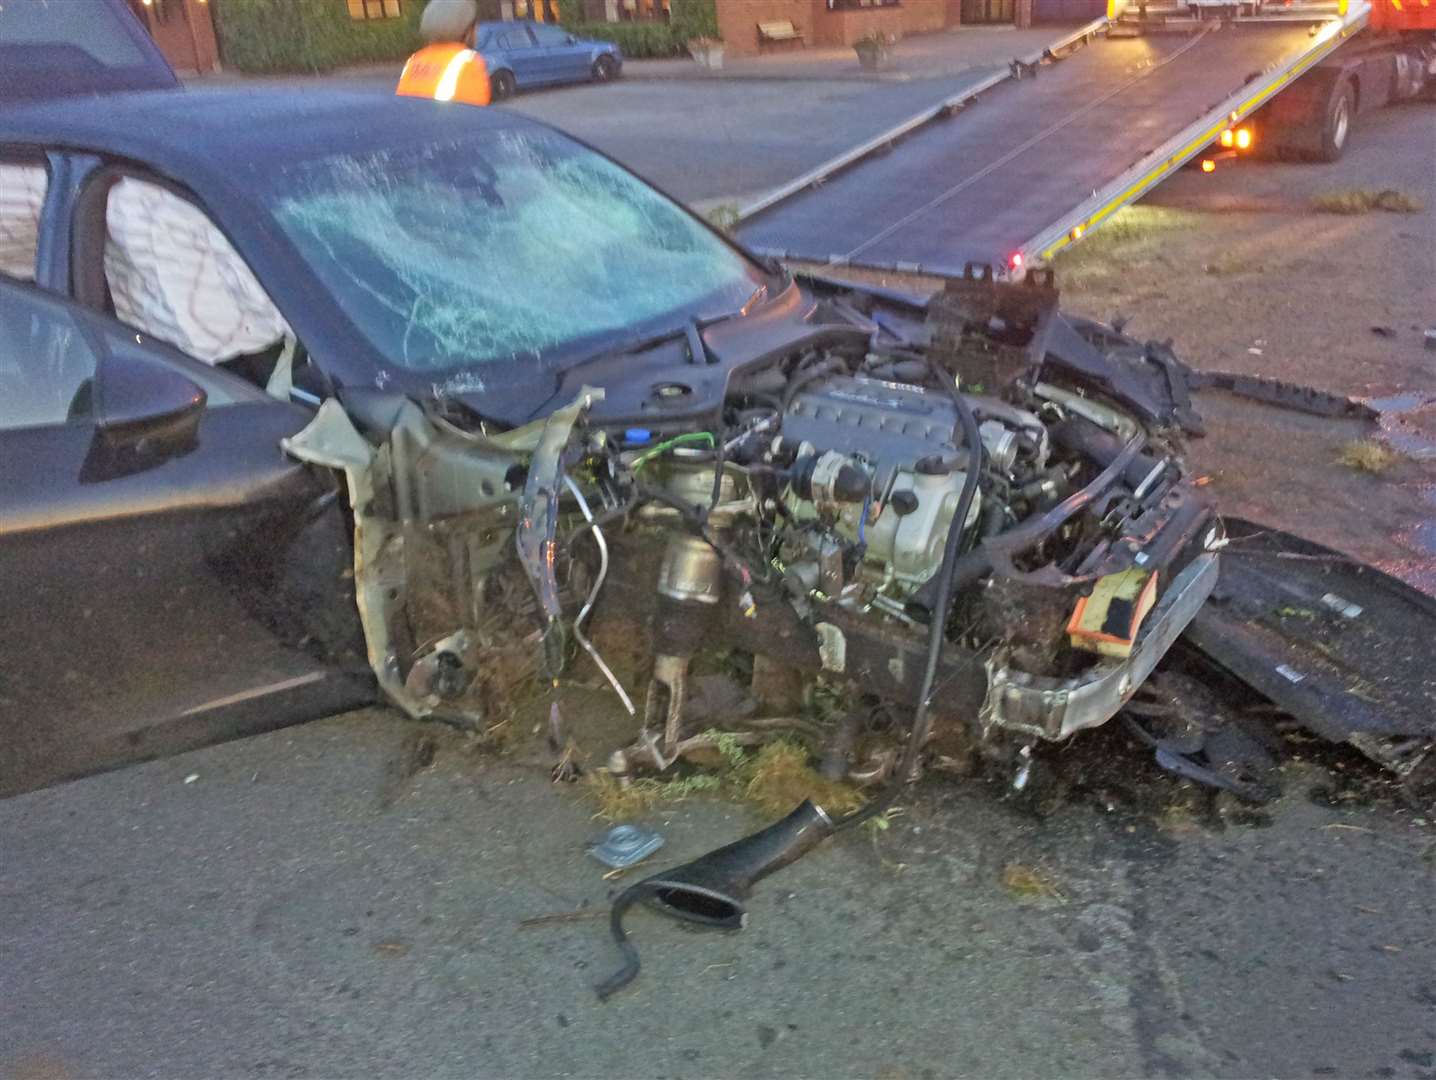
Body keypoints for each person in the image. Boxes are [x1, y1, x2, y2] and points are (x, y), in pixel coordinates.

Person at [395, 0, 490, 106]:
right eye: (475, 26)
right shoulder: (468, 62)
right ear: (467, 31)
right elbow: (478, 115)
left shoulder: (414, 60)